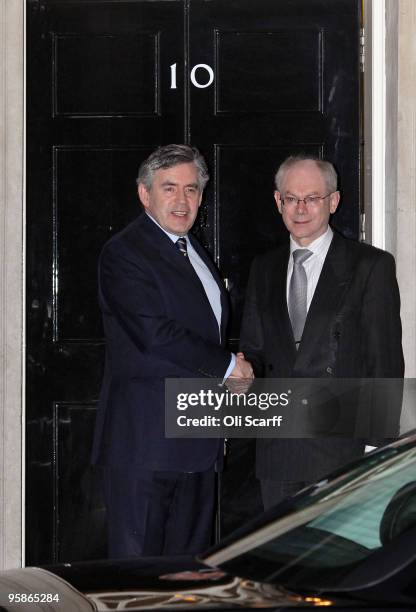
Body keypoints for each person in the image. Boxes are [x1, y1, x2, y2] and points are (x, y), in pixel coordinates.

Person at [92, 144, 253, 557]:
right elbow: (154, 334)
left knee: (187, 577)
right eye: (169, 188)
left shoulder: (193, 249)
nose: (182, 201)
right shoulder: (125, 253)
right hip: (146, 447)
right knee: (138, 579)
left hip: (198, 441)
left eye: (192, 189)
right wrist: (228, 366)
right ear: (145, 194)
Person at [240, 155, 404, 510]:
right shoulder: (263, 268)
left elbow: (385, 362)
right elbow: (254, 349)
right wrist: (241, 370)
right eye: (290, 198)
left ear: (333, 201)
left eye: (311, 198)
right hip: (278, 452)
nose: (300, 208)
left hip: (342, 453)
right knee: (278, 563)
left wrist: (377, 449)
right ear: (277, 201)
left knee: (338, 562)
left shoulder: (370, 266)